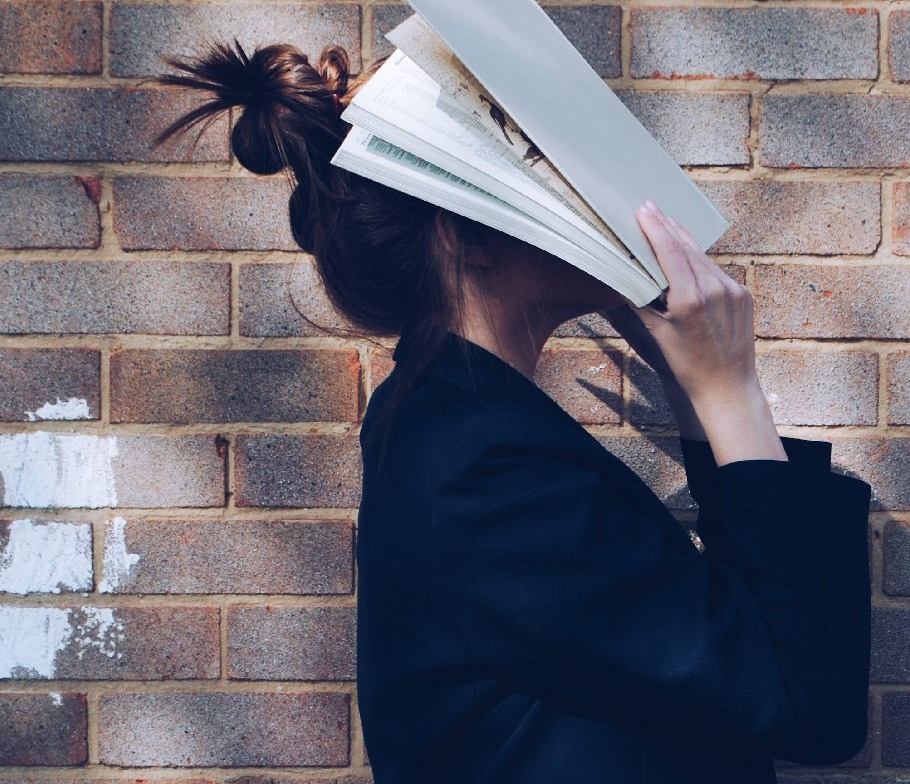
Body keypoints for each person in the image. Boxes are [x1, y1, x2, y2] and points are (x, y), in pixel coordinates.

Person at [153, 40, 872, 782]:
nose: (590, 196)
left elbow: (748, 659)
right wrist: (732, 392)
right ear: (465, 234)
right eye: (543, 174)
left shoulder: (458, 433)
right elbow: (807, 698)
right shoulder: (482, 475)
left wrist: (693, 387)